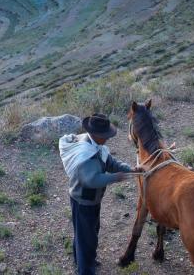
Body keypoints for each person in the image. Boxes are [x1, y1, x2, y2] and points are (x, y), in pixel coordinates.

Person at [59, 113, 142, 275]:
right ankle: (86, 269)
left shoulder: (95, 146)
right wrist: (115, 178)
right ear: (97, 135)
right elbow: (92, 180)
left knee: (86, 233)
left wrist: (130, 169)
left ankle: (82, 258)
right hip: (84, 202)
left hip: (90, 200)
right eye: (105, 136)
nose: (108, 138)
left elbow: (110, 162)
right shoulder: (86, 155)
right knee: (87, 238)